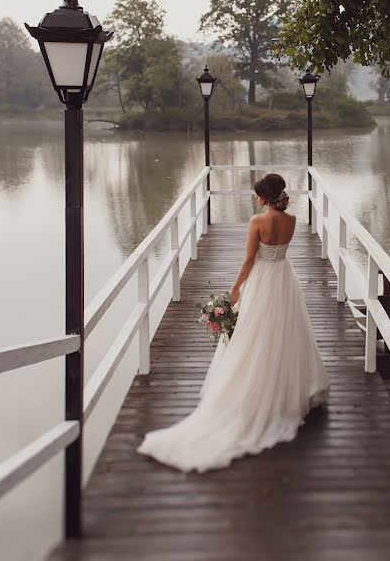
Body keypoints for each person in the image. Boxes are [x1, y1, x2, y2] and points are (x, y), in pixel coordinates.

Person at [137, 173, 330, 472]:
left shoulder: (257, 222)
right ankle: (284, 389)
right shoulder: (291, 220)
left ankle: (255, 391)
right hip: (284, 279)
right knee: (284, 332)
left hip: (262, 281)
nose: (255, 199)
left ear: (265, 197)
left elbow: (249, 260)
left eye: (257, 195)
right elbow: (277, 252)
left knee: (254, 335)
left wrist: (234, 290)